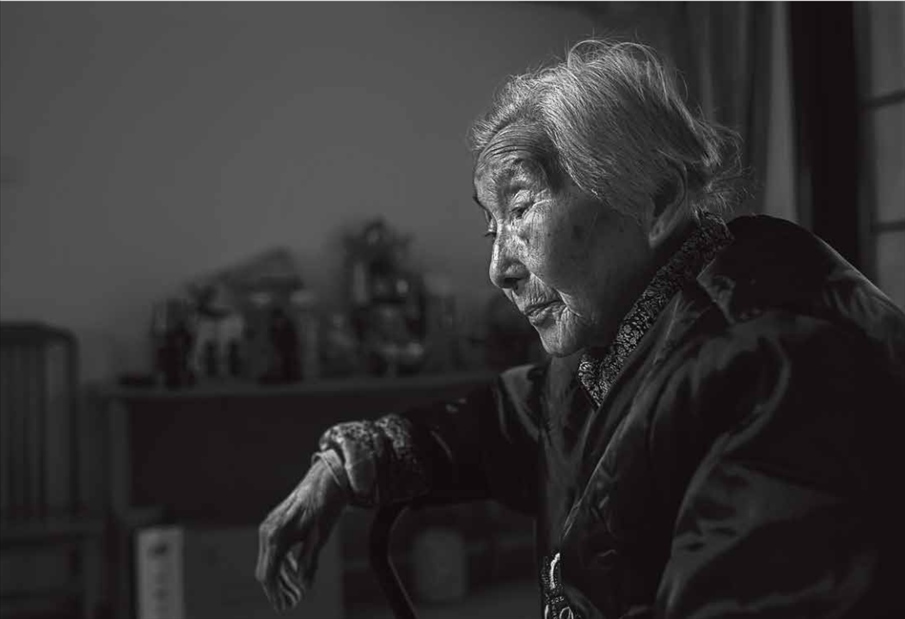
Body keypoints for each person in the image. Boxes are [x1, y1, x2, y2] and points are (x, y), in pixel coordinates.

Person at [255, 40, 905, 618]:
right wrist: (342, 466)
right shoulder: (616, 332)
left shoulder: (783, 362)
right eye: (492, 227)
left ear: (654, 198)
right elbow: (511, 417)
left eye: (521, 210)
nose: (498, 269)